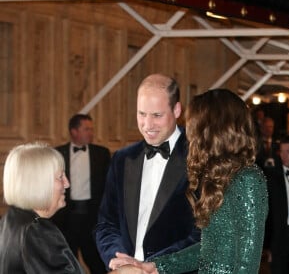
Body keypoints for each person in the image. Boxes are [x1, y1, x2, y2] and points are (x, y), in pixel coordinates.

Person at [112, 88, 268, 273]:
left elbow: (247, 265)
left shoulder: (248, 179)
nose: (189, 134)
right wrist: (157, 266)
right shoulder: (218, 176)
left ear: (212, 130)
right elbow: (208, 250)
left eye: (194, 126)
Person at [95, 74, 200, 271]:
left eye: (157, 115)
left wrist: (154, 265)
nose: (147, 125)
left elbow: (204, 233)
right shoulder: (122, 158)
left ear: (177, 110)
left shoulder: (200, 156)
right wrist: (116, 257)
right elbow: (106, 223)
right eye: (141, 114)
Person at [0, 143, 84, 273]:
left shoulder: (10, 220)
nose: (67, 184)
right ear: (40, 183)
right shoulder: (37, 231)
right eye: (60, 176)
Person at [52, 114, 111, 274]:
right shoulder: (57, 154)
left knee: (96, 262)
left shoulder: (102, 153)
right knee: (67, 263)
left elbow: (110, 186)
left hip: (92, 218)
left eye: (91, 129)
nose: (91, 133)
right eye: (87, 129)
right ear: (74, 131)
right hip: (66, 217)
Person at [264, 135, 289, 274]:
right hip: (280, 240)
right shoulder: (272, 178)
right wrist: (269, 248)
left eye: (288, 151)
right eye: (282, 151)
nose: (283, 155)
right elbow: (269, 214)